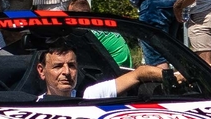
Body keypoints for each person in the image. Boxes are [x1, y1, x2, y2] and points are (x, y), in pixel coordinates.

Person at [32, 42, 167, 102]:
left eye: (72, 65)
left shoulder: (89, 95)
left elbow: (139, 73)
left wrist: (175, 76)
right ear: (41, 71)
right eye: (58, 66)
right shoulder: (30, 107)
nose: (66, 72)